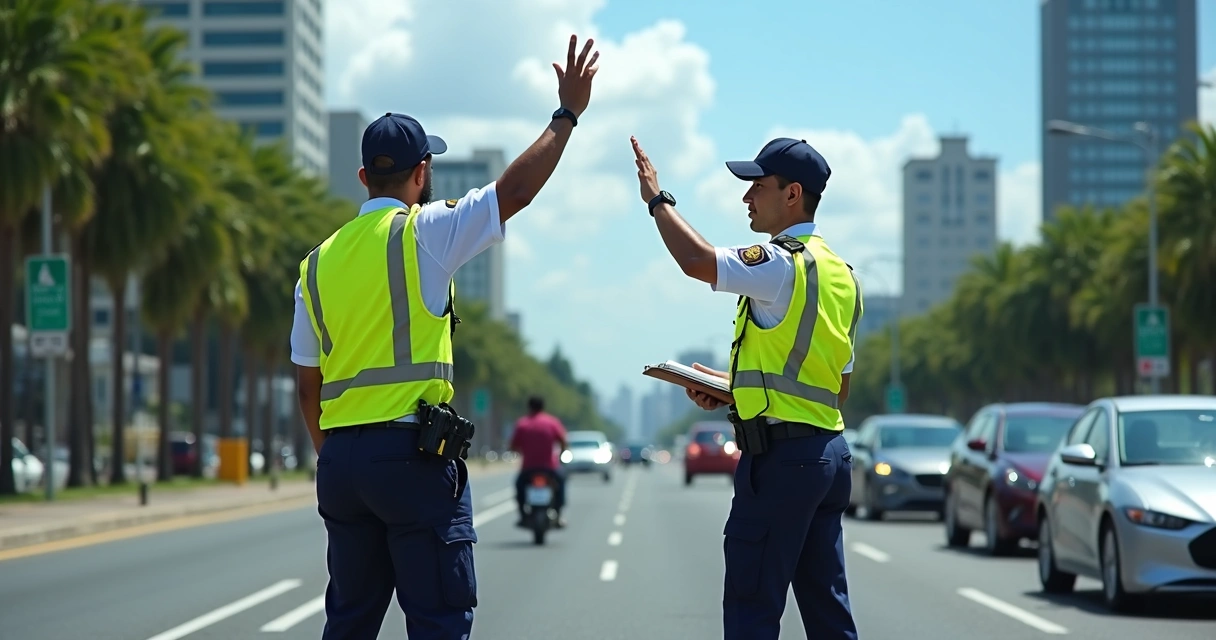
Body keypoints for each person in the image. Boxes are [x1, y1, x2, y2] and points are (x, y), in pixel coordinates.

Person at [290, 35, 600, 640]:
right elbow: (513, 193)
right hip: (409, 459)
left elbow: (308, 384)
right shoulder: (425, 233)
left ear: (362, 177)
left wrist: (337, 457)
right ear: (423, 172)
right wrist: (567, 115)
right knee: (438, 620)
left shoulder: (316, 263)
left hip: (343, 464)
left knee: (349, 622)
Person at [629, 135, 862, 640]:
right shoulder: (843, 275)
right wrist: (727, 388)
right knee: (828, 611)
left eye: (757, 186)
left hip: (781, 463)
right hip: (828, 456)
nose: (746, 198)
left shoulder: (781, 262)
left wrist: (656, 199)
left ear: (793, 194)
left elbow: (697, 261)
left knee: (752, 607)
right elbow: (830, 388)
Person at [508, 395, 569, 527]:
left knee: (519, 487)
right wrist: (561, 454)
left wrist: (521, 452)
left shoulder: (522, 424)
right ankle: (558, 514)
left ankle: (523, 515)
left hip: (528, 468)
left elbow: (513, 446)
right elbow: (563, 441)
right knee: (562, 482)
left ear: (529, 407)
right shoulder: (552, 422)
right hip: (550, 467)